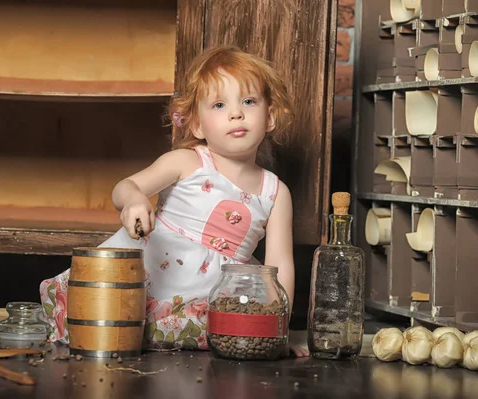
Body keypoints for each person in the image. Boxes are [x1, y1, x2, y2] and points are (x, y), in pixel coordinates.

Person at [39, 46, 309, 357]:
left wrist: (277, 333)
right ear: (196, 125)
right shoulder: (186, 162)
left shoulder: (276, 191)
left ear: (270, 116)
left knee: (228, 324)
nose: (236, 113)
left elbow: (279, 269)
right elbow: (123, 187)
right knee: (111, 314)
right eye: (219, 104)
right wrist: (135, 200)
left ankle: (172, 333)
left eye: (248, 101)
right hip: (159, 269)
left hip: (217, 289)